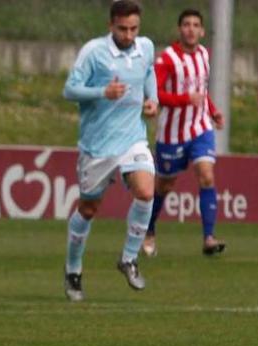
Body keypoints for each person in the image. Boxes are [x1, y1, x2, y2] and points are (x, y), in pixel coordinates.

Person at [62, 0, 159, 302]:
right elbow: (70, 90)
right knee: (88, 209)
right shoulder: (94, 52)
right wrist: (102, 92)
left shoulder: (146, 47)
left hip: (132, 138)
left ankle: (128, 257)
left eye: (134, 29)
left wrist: (152, 99)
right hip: (98, 145)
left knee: (145, 191)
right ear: (110, 26)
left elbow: (148, 73)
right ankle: (73, 268)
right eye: (123, 29)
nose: (129, 35)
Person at [144, 8, 225, 258]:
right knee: (164, 186)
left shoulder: (203, 55)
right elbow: (155, 94)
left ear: (201, 30)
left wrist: (212, 111)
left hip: (200, 128)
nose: (191, 29)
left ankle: (208, 238)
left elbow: (200, 90)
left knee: (206, 176)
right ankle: (148, 229)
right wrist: (184, 99)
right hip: (171, 134)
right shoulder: (167, 59)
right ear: (180, 30)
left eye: (195, 25)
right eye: (186, 24)